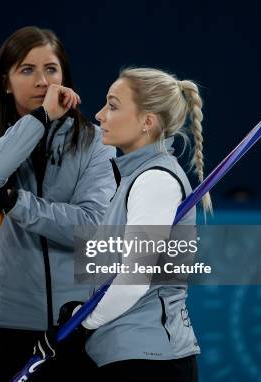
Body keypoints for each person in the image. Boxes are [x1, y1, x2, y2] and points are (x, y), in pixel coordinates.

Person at [0, 26, 116, 380]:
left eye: (51, 70)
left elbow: (92, 228)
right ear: (6, 83)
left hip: (78, 325)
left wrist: (14, 202)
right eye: (27, 70)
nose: (42, 81)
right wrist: (41, 119)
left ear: (65, 79)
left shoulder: (94, 142)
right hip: (9, 326)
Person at [71, 67, 210, 381]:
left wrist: (84, 325)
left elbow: (135, 276)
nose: (100, 115)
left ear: (147, 121)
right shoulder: (133, 177)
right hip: (126, 354)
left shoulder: (155, 180)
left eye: (113, 105)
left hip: (149, 361)